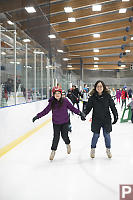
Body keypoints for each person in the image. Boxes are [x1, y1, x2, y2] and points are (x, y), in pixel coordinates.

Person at [32, 88, 86, 161]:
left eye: (58, 93)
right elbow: (45, 111)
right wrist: (37, 116)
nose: (57, 95)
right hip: (56, 123)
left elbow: (72, 108)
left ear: (61, 94)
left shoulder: (65, 101)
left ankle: (68, 144)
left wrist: (80, 113)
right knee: (56, 138)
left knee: (64, 136)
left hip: (64, 122)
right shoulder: (52, 102)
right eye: (55, 93)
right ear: (53, 94)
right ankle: (53, 151)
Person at [84, 80, 118, 159]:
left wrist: (115, 115)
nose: (99, 88)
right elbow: (88, 108)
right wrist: (84, 114)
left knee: (107, 135)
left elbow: (112, 106)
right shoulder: (92, 97)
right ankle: (93, 149)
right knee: (96, 135)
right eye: (97, 86)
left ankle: (108, 149)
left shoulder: (107, 96)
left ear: (103, 87)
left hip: (106, 119)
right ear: (95, 88)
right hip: (96, 119)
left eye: (101, 86)